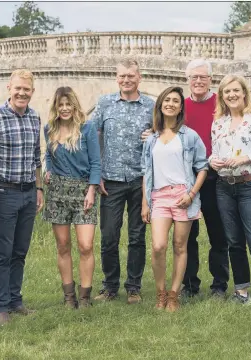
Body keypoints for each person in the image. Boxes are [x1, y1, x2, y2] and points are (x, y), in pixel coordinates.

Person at [141, 59, 251, 300]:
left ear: (211, 80)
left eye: (203, 77)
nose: (199, 81)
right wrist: (153, 132)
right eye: (194, 77)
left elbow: (246, 123)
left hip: (217, 179)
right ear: (188, 80)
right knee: (187, 237)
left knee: (219, 234)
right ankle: (189, 285)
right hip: (186, 180)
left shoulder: (221, 102)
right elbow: (166, 126)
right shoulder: (183, 105)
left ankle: (219, 285)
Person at [209, 74, 251, 315]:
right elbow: (214, 152)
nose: (232, 95)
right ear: (222, 96)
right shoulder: (218, 123)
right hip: (224, 186)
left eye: (236, 90)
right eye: (227, 92)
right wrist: (213, 161)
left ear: (244, 92)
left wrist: (244, 158)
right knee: (234, 243)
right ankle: (242, 292)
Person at [89, 58, 154, 304]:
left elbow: (164, 134)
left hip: (140, 179)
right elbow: (92, 137)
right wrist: (96, 176)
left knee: (137, 236)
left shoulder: (151, 105)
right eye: (122, 76)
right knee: (109, 236)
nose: (126, 80)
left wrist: (155, 134)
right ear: (117, 78)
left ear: (139, 77)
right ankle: (109, 286)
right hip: (111, 181)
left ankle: (134, 287)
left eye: (131, 76)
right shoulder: (105, 103)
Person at [141, 86, 208, 312]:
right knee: (158, 246)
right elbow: (146, 172)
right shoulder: (151, 139)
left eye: (175, 101)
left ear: (181, 107)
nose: (170, 104)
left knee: (180, 245)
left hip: (182, 195)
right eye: (167, 100)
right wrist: (145, 203)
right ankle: (160, 292)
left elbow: (202, 167)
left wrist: (191, 195)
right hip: (159, 196)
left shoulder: (189, 136)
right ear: (160, 105)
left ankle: (173, 295)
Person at [0, 69, 44, 325]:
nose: (22, 93)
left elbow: (36, 156)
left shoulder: (35, 117)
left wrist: (39, 188)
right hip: (2, 192)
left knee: (20, 250)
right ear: (9, 88)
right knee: (2, 252)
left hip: (28, 193)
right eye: (18, 88)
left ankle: (15, 300)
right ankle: (0, 307)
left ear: (32, 92)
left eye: (27, 90)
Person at [42, 87, 102, 309]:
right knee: (63, 245)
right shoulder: (49, 129)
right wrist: (48, 169)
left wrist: (92, 189)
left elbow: (96, 161)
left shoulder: (87, 129)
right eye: (61, 104)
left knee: (86, 245)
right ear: (56, 107)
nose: (65, 108)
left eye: (68, 104)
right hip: (57, 192)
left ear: (75, 106)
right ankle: (69, 296)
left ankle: (85, 297)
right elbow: (48, 153)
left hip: (83, 191)